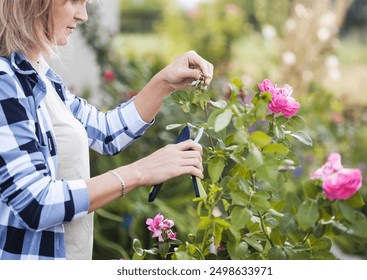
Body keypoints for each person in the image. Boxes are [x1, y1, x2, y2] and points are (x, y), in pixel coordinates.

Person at [0, 0, 213, 260]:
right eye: (74, 2)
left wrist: (164, 83)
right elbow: (36, 203)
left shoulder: (38, 75)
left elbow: (105, 132)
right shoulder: (5, 83)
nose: (83, 16)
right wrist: (141, 171)